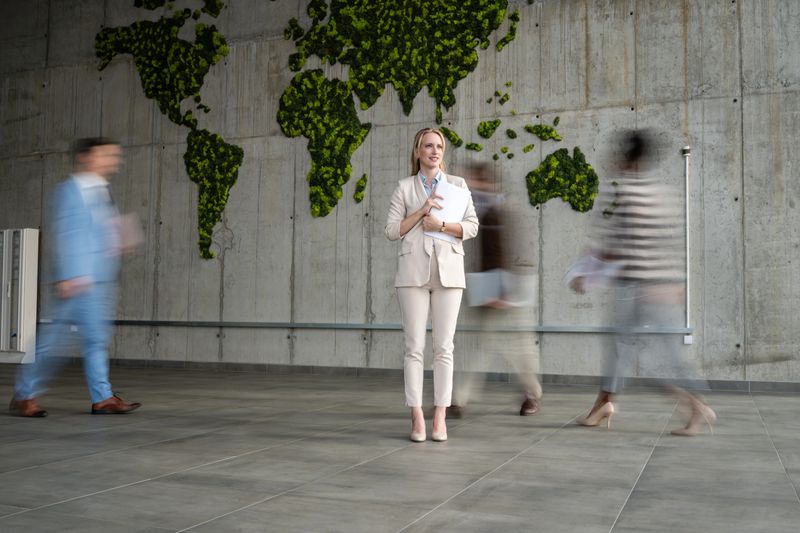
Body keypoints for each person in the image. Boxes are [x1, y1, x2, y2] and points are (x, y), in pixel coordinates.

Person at [570, 129, 715, 436]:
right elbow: (667, 245)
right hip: (664, 286)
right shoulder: (665, 195)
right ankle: (691, 405)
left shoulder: (625, 192)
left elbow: (616, 247)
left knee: (622, 350)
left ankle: (609, 404)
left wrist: (586, 273)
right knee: (667, 354)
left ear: (627, 158)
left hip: (634, 288)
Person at [10, 138, 141, 417]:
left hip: (101, 280)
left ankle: (103, 397)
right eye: (107, 155)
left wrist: (120, 240)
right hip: (77, 281)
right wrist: (71, 275)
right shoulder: (71, 190)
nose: (113, 161)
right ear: (87, 157)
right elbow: (69, 233)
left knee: (95, 340)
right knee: (54, 341)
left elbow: (98, 231)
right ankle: (24, 395)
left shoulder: (104, 192)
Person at [384, 127, 479, 442]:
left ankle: (439, 416)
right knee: (414, 347)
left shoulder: (457, 185)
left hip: (449, 272)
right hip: (412, 272)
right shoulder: (404, 187)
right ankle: (416, 418)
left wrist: (441, 225)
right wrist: (421, 212)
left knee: (444, 348)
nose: (434, 151)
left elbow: (472, 226)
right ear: (417, 151)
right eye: (428, 146)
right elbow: (391, 230)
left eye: (439, 146)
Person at [451, 163, 542, 417]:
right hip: (486, 292)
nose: (470, 187)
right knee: (480, 347)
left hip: (508, 292)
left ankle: (532, 393)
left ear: (487, 182)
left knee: (519, 348)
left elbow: (514, 253)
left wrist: (507, 293)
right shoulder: (480, 212)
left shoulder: (503, 210)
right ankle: (459, 399)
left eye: (474, 182)